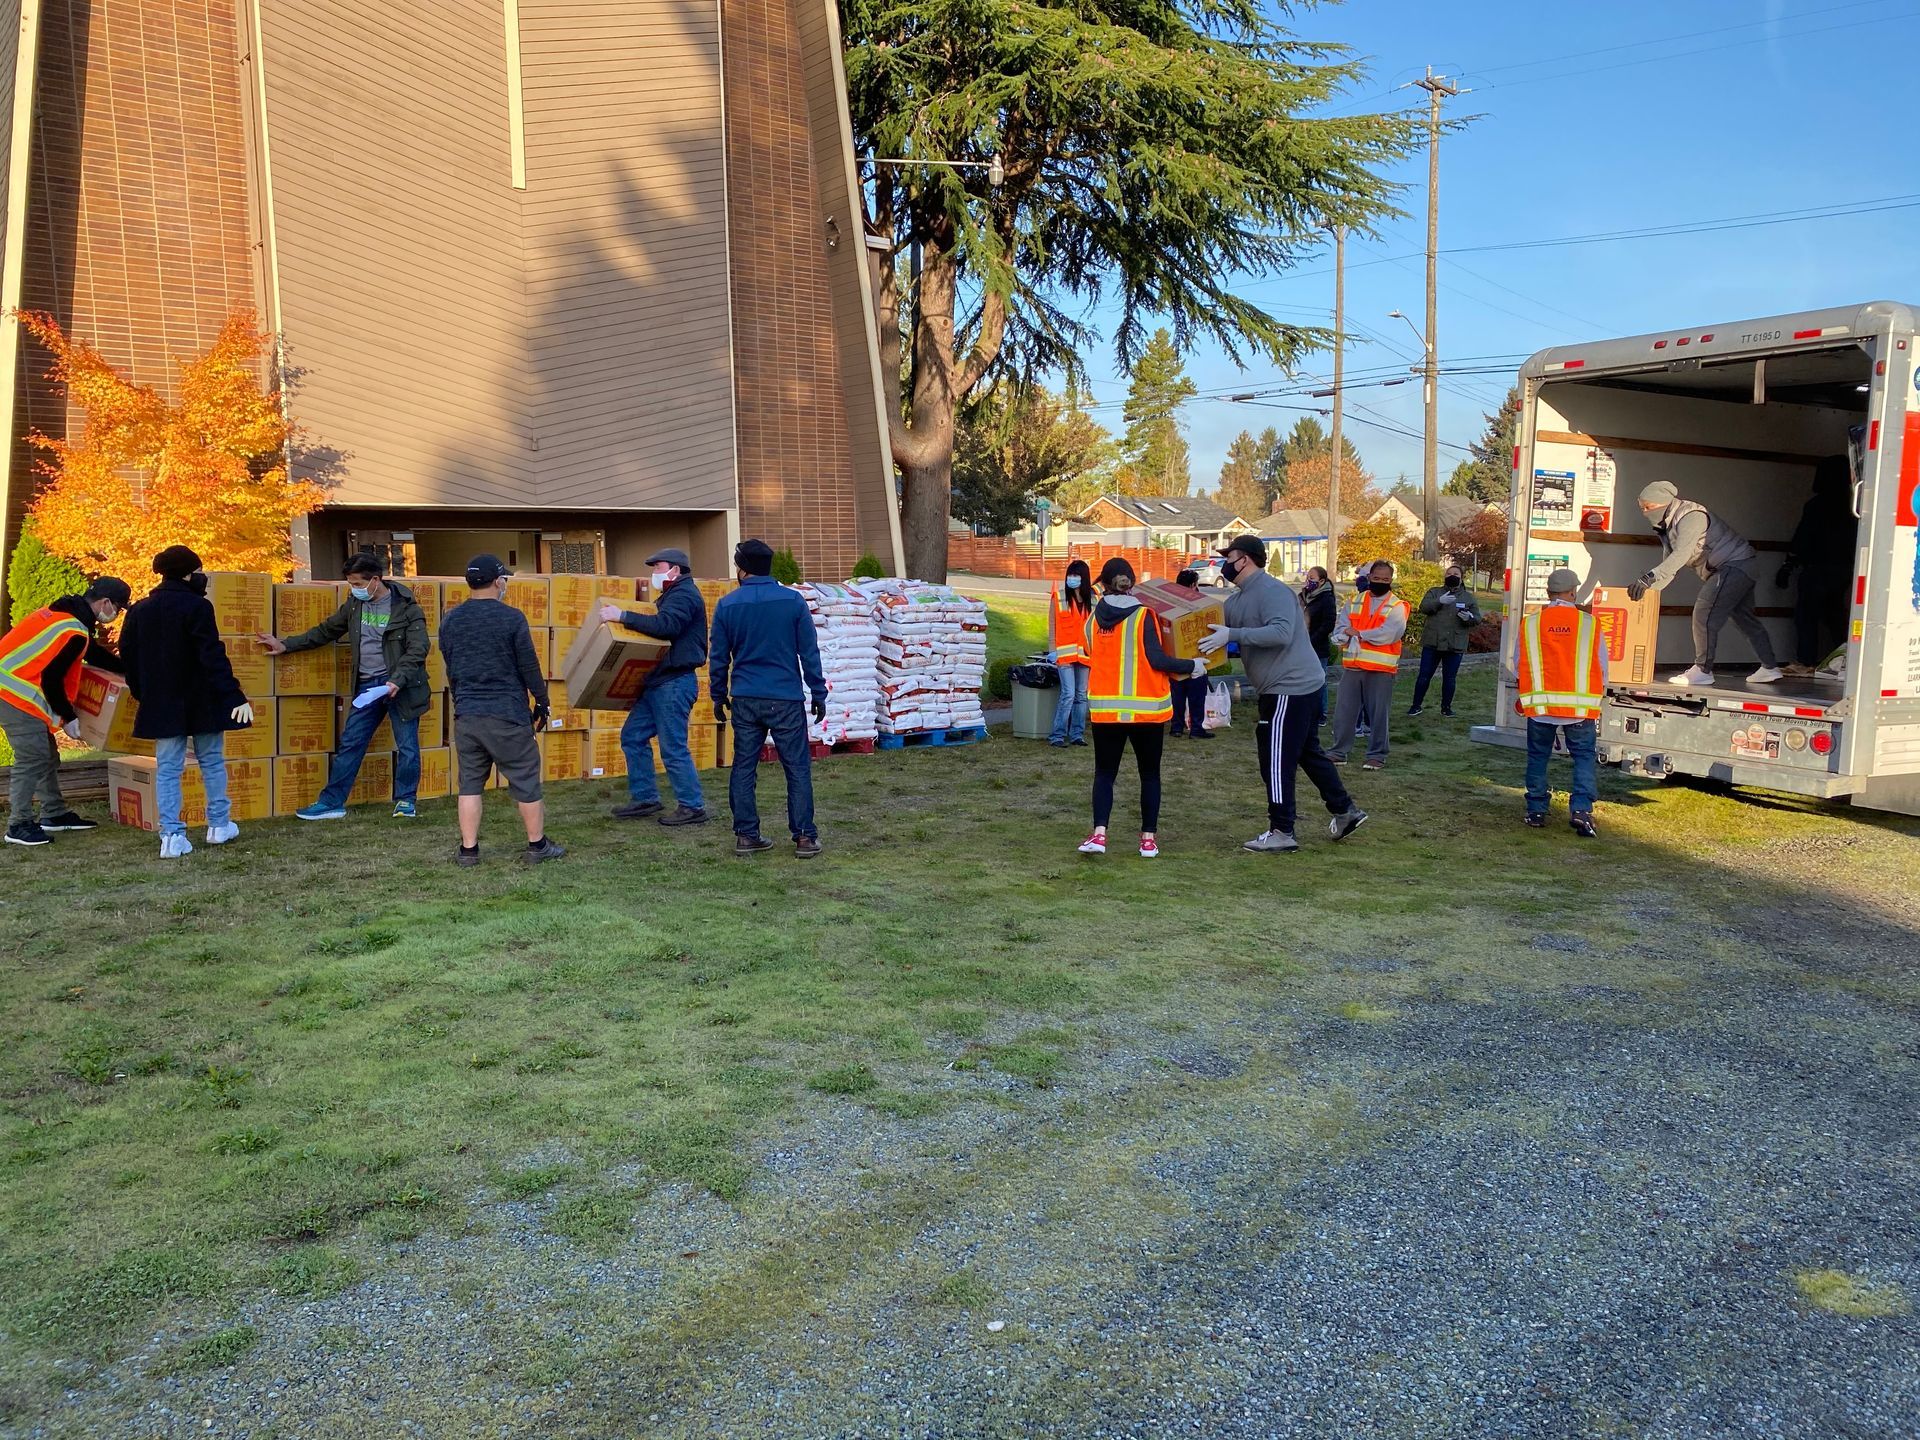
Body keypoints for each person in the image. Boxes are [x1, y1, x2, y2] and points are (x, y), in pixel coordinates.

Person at [1199, 537, 1368, 854]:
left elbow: (1280, 633)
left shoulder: (1273, 592)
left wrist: (1232, 635)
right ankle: (1345, 811)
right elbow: (1224, 635)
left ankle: (1282, 830)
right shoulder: (1235, 602)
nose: (1225, 564)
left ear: (1245, 560)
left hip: (1289, 686)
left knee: (1275, 758)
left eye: (1229, 557)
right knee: (1308, 753)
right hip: (1282, 687)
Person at [256, 552, 431, 819]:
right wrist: (286, 644)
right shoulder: (354, 606)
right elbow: (326, 631)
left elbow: (418, 649)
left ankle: (406, 800)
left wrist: (397, 680)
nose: (355, 589)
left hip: (400, 686)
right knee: (351, 742)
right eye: (351, 583)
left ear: (375, 579)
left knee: (407, 745)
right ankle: (331, 802)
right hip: (366, 686)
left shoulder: (407, 608)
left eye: (359, 584)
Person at [119, 546, 254, 857]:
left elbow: (128, 656)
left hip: (161, 701)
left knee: (168, 768)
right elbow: (212, 656)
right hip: (202, 698)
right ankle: (219, 825)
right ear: (188, 573)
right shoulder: (198, 607)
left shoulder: (140, 610)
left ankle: (171, 835)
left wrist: (143, 691)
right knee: (211, 762)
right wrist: (233, 694)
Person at [438, 554, 564, 866]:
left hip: (467, 714)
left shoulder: (450, 620)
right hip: (506, 713)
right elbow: (528, 666)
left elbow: (451, 667)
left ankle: (469, 851)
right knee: (525, 779)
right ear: (498, 581)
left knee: (469, 783)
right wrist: (542, 701)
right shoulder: (511, 618)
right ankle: (537, 845)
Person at [1076, 557, 1205, 860]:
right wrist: (1192, 665)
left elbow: (1092, 655)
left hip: (1106, 711)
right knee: (1149, 775)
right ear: (1131, 583)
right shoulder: (1145, 615)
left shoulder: (1092, 620)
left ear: (1103, 585)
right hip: (1146, 711)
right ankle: (1147, 840)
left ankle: (1099, 834)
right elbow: (1157, 660)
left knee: (1104, 774)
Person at [710, 538, 828, 859]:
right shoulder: (793, 602)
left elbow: (719, 658)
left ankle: (747, 835)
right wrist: (818, 692)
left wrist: (717, 695)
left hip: (746, 697)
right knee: (797, 768)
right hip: (785, 697)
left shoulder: (728, 605)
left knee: (744, 766)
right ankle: (804, 836)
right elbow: (809, 652)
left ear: (742, 569)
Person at [0, 575, 130, 846]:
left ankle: (54, 814)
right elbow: (51, 679)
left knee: (46, 755)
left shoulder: (66, 616)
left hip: (11, 689)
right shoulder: (71, 629)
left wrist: (129, 671)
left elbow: (90, 651)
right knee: (33, 758)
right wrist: (69, 718)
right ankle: (18, 824)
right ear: (105, 602)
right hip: (11, 693)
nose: (116, 614)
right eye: (117, 608)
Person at [1628, 480, 1782, 688]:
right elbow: (1670, 565)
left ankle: (1702, 670)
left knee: (1704, 613)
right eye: (1642, 508)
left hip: (1734, 565)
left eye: (1649, 507)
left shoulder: (1691, 516)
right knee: (1744, 617)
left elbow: (1681, 555)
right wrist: (1650, 590)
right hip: (1743, 565)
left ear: (1663, 502)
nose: (1645, 512)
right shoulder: (1667, 525)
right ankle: (1770, 667)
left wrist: (1648, 577)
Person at [598, 547, 710, 825]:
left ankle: (692, 806)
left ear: (675, 569)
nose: (654, 573)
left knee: (673, 747)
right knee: (633, 736)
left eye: (658, 567)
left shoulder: (684, 595)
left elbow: (666, 626)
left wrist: (622, 616)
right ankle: (646, 798)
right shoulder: (672, 595)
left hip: (673, 682)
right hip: (658, 682)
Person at [1510, 567, 1605, 838]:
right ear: (1573, 592)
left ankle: (1537, 811)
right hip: (1579, 709)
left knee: (1538, 756)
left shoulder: (1530, 623)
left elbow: (1519, 663)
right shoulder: (1589, 623)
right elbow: (1601, 665)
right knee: (1583, 757)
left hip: (1540, 708)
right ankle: (1581, 810)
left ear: (1549, 593)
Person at [1778, 456, 1857, 677]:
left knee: (1806, 614)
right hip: (1844, 568)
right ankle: (1844, 659)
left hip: (1818, 566)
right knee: (1834, 616)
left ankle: (1806, 661)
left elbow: (1803, 537)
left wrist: (1788, 565)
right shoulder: (1854, 504)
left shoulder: (1816, 505)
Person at [1327, 560, 1408, 771]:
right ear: (1369, 578)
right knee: (1344, 712)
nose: (1381, 582)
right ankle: (1338, 752)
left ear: (1391, 580)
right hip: (1353, 667)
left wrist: (1359, 633)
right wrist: (1347, 633)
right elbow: (1342, 626)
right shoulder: (1355, 601)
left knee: (1378, 714)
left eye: (1386, 579)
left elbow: (1390, 633)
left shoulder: (1397, 606)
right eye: (1377, 578)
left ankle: (1377, 755)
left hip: (1381, 670)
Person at [1408, 564, 1480, 718]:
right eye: (1449, 573)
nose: (1452, 576)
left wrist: (1470, 618)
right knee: (1424, 675)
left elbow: (1477, 618)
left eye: (1455, 573)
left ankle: (1446, 707)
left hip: (1455, 643)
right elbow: (1424, 608)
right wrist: (1439, 601)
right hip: (1432, 642)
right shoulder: (1434, 592)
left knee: (1449, 678)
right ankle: (1416, 706)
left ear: (1461, 578)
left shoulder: (1468, 597)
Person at [1164, 568, 1214, 740]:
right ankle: (1196, 728)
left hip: (1175, 659)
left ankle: (1176, 727)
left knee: (1177, 696)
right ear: (1193, 585)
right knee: (1197, 696)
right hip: (1195, 657)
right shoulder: (1199, 603)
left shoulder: (1170, 603)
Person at [1047, 558, 1093, 747]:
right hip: (1064, 654)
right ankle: (1057, 735)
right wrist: (1052, 650)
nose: (1071, 579)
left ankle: (1077, 734)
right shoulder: (1059, 597)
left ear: (1084, 578)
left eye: (1076, 575)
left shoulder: (1094, 599)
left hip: (1085, 654)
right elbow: (1052, 624)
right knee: (1068, 694)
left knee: (1081, 695)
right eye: (1070, 575)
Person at [1299, 565, 1337, 720]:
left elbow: (1328, 624)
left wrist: (1313, 639)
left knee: (1320, 680)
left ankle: (1321, 712)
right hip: (1301, 644)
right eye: (1308, 577)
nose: (1309, 580)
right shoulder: (1304, 595)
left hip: (1317, 646)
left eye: (1312, 578)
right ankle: (1306, 709)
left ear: (1321, 581)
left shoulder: (1326, 598)